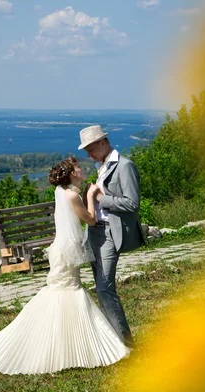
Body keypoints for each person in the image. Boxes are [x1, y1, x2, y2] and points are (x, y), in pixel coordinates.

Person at [0, 157, 130, 375]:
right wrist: (90, 195)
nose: (82, 169)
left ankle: (66, 345)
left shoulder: (61, 192)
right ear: (72, 173)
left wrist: (83, 194)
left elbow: (72, 212)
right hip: (68, 250)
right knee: (69, 291)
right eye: (78, 167)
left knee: (62, 291)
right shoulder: (71, 194)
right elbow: (90, 219)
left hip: (60, 249)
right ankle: (66, 345)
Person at [78, 125, 146, 347]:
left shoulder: (125, 166)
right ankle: (114, 342)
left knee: (106, 288)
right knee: (100, 288)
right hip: (93, 233)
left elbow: (132, 203)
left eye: (90, 149)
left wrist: (101, 199)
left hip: (109, 234)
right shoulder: (101, 166)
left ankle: (126, 344)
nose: (89, 155)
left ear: (103, 142)